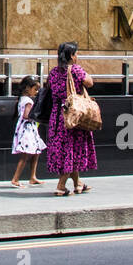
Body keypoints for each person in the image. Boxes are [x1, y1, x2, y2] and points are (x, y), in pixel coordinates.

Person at [46, 41, 96, 196]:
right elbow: (90, 82)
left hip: (57, 115)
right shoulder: (75, 70)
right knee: (71, 150)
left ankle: (78, 183)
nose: (77, 56)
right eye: (76, 54)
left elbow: (49, 88)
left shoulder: (53, 72)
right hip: (73, 116)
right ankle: (61, 186)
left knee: (68, 149)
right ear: (71, 56)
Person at [9, 75, 46, 188]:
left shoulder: (22, 99)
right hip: (27, 130)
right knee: (25, 155)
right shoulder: (28, 100)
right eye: (35, 89)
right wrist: (36, 116)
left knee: (36, 152)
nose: (36, 92)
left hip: (27, 129)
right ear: (28, 88)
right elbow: (26, 115)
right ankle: (15, 179)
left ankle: (33, 176)